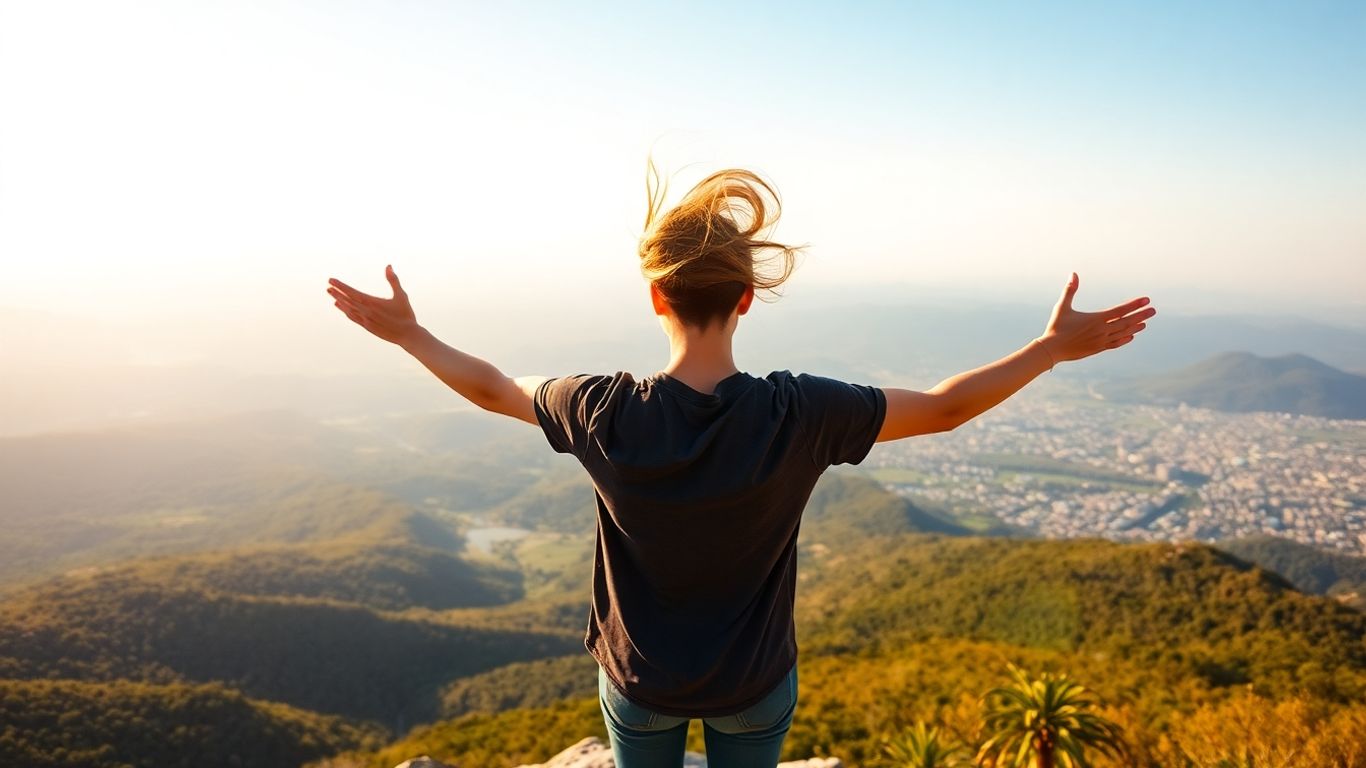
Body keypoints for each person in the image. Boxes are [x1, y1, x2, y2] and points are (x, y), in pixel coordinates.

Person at [325, 162, 1155, 768]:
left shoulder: (600, 409)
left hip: (640, 685)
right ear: (747, 299)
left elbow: (494, 389)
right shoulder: (799, 412)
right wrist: (1049, 348)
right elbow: (944, 408)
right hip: (754, 686)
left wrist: (410, 334)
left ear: (657, 296)